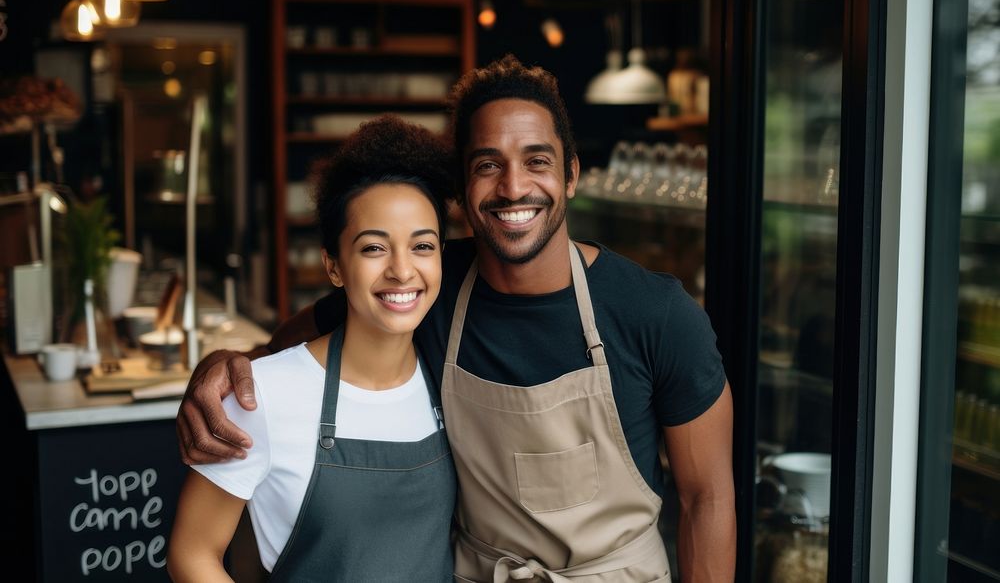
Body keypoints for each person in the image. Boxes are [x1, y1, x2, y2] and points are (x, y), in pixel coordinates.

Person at [178, 55, 736, 581]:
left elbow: (706, 498)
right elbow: (288, 350)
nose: (514, 187)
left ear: (570, 175)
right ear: (463, 190)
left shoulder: (656, 313)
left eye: (537, 161)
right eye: (487, 165)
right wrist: (222, 369)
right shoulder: (428, 285)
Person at [167, 116, 457, 581]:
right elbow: (192, 553)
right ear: (334, 266)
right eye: (373, 249)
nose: (403, 271)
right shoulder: (260, 396)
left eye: (422, 246)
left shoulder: (448, 378)